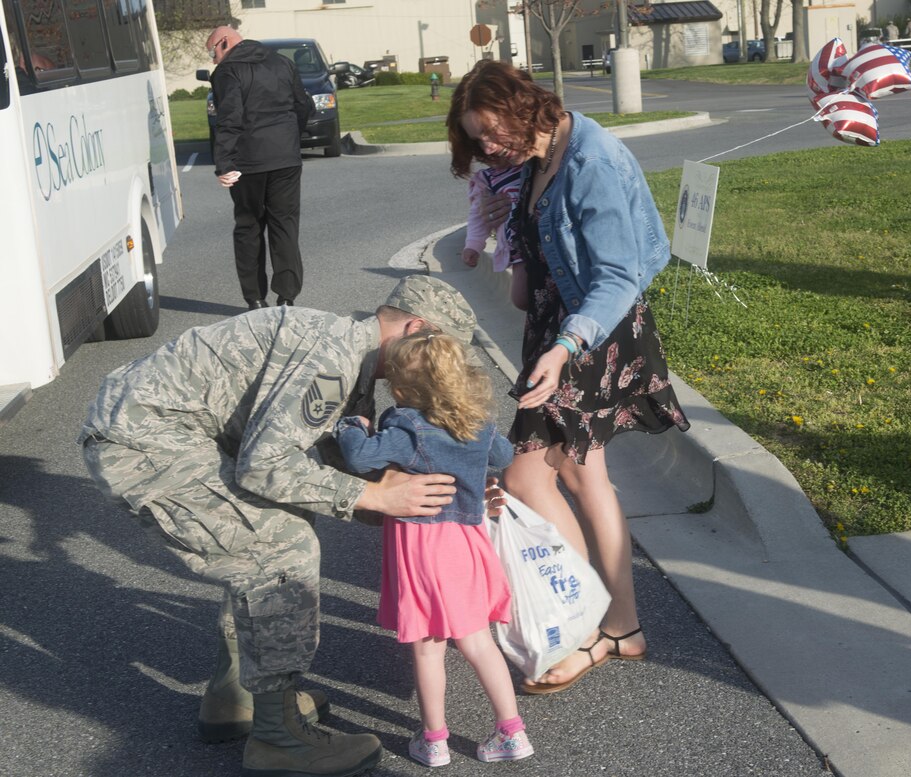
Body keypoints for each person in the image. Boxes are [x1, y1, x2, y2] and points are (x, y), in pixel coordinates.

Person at [79, 275, 494, 777]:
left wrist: (432, 497)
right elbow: (265, 464)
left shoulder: (355, 361)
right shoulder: (334, 360)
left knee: (274, 520)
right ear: (416, 327)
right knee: (281, 549)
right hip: (143, 439)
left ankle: (235, 697)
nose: (442, 368)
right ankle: (277, 737)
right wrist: (375, 495)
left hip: (172, 430)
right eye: (440, 348)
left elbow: (328, 463)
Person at [446, 60, 690, 694]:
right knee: (584, 474)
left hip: (593, 332)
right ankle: (620, 627)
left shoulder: (591, 161)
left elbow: (618, 275)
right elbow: (530, 288)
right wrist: (509, 237)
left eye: (491, 132)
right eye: (477, 138)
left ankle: (587, 628)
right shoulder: (533, 161)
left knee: (527, 476)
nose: (486, 147)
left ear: (526, 109)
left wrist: (563, 349)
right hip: (559, 326)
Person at [334, 332, 533, 766]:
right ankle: (512, 732)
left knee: (428, 646)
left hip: (422, 547)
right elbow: (502, 454)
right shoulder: (476, 423)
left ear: (403, 391)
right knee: (479, 641)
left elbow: (361, 458)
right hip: (465, 540)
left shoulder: (407, 428)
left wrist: (351, 425)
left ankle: (435, 741)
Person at [206, 26, 313, 310]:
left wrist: (223, 163)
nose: (213, 59)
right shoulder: (282, 62)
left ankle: (255, 298)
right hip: (285, 159)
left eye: (212, 51)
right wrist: (290, 138)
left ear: (225, 42)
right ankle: (287, 297)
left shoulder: (228, 72)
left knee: (249, 226)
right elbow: (303, 106)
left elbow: (229, 119)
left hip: (248, 162)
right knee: (285, 225)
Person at [462, 163, 530, 310]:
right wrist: (473, 245)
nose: (489, 148)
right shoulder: (488, 179)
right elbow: (477, 215)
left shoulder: (536, 167)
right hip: (517, 249)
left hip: (545, 243)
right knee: (521, 297)